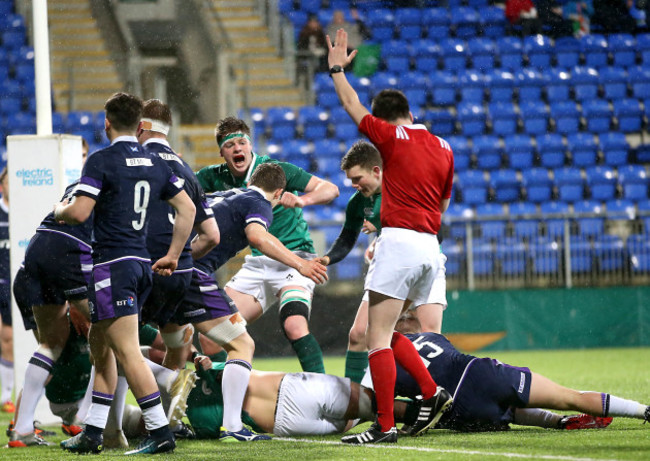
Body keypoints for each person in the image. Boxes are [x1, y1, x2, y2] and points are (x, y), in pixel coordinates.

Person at [327, 28, 454, 444]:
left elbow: (350, 104)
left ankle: (384, 426)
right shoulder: (443, 146)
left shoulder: (390, 138)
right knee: (393, 332)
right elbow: (443, 205)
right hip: (430, 247)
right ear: (411, 112)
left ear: (385, 119)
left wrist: (336, 69)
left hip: (398, 241)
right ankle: (432, 392)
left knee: (374, 339)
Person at [55, 92, 196, 455]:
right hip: (140, 263)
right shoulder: (155, 162)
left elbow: (81, 212)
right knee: (101, 348)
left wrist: (61, 209)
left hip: (111, 266)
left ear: (106, 123)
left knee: (128, 352)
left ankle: (160, 431)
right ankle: (93, 432)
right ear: (140, 125)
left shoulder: (102, 161)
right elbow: (188, 208)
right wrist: (174, 255)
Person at [167, 163, 328, 442]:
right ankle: (231, 425)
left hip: (164, 269)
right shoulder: (259, 202)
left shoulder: (226, 194)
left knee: (164, 349)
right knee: (242, 344)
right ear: (279, 192)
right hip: (192, 274)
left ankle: (157, 423)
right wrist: (300, 264)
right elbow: (257, 236)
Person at [196, 117, 338, 375]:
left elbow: (330, 189)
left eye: (242, 142)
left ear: (250, 146)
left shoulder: (274, 170)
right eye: (230, 145)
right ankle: (221, 399)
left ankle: (323, 395)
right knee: (211, 335)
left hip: (296, 258)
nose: (238, 149)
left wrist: (303, 200)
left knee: (294, 325)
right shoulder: (212, 178)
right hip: (259, 262)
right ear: (222, 153)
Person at [319, 141, 448, 385]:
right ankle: (354, 398)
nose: (354, 185)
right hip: (390, 265)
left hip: (424, 263)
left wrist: (383, 228)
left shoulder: (405, 189)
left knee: (430, 336)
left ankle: (432, 396)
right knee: (359, 333)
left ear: (376, 171)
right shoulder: (358, 202)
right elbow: (347, 238)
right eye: (351, 181)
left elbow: (436, 226)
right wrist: (326, 259)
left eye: (358, 178)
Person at [390, 313, 650, 433]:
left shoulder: (386, 362)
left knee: (507, 412)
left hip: (459, 414)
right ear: (411, 327)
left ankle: (557, 422)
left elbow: (389, 404)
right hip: (477, 374)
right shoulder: (432, 336)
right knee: (568, 396)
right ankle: (642, 411)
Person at [8, 140, 95, 448]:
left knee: (50, 344)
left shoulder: (76, 184)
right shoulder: (114, 186)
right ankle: (86, 420)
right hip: (69, 254)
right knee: (111, 332)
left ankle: (21, 429)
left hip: (35, 253)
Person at [136, 99, 220, 368]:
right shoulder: (188, 171)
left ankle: (112, 411)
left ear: (140, 127)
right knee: (176, 347)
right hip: (178, 277)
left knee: (110, 343)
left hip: (139, 270)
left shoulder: (136, 162)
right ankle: (170, 403)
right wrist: (178, 257)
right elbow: (211, 236)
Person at [0, 167, 13, 415]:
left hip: (18, 283)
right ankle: (6, 394)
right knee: (5, 338)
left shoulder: (27, 211)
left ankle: (7, 395)